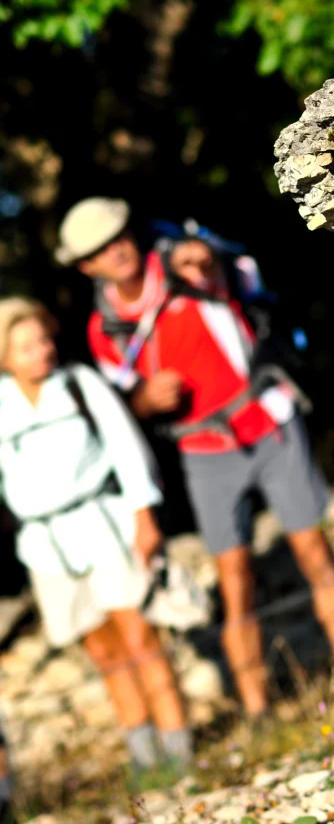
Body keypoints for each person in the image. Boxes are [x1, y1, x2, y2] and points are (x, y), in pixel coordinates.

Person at [56, 197, 334, 720]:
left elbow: (211, 260)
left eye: (119, 236)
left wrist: (199, 258)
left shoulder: (181, 262)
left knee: (314, 550)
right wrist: (144, 402)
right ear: (86, 266)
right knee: (234, 578)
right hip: (203, 452)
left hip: (268, 421)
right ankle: (258, 712)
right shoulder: (105, 328)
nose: (117, 251)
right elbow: (120, 408)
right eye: (100, 250)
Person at [0, 297, 191, 774]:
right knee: (103, 650)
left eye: (43, 340)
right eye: (26, 346)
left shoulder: (80, 384)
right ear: (5, 355)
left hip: (106, 522)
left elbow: (127, 448)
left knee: (139, 635)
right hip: (46, 543)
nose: (41, 351)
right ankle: (145, 759)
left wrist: (145, 517)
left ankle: (181, 753)